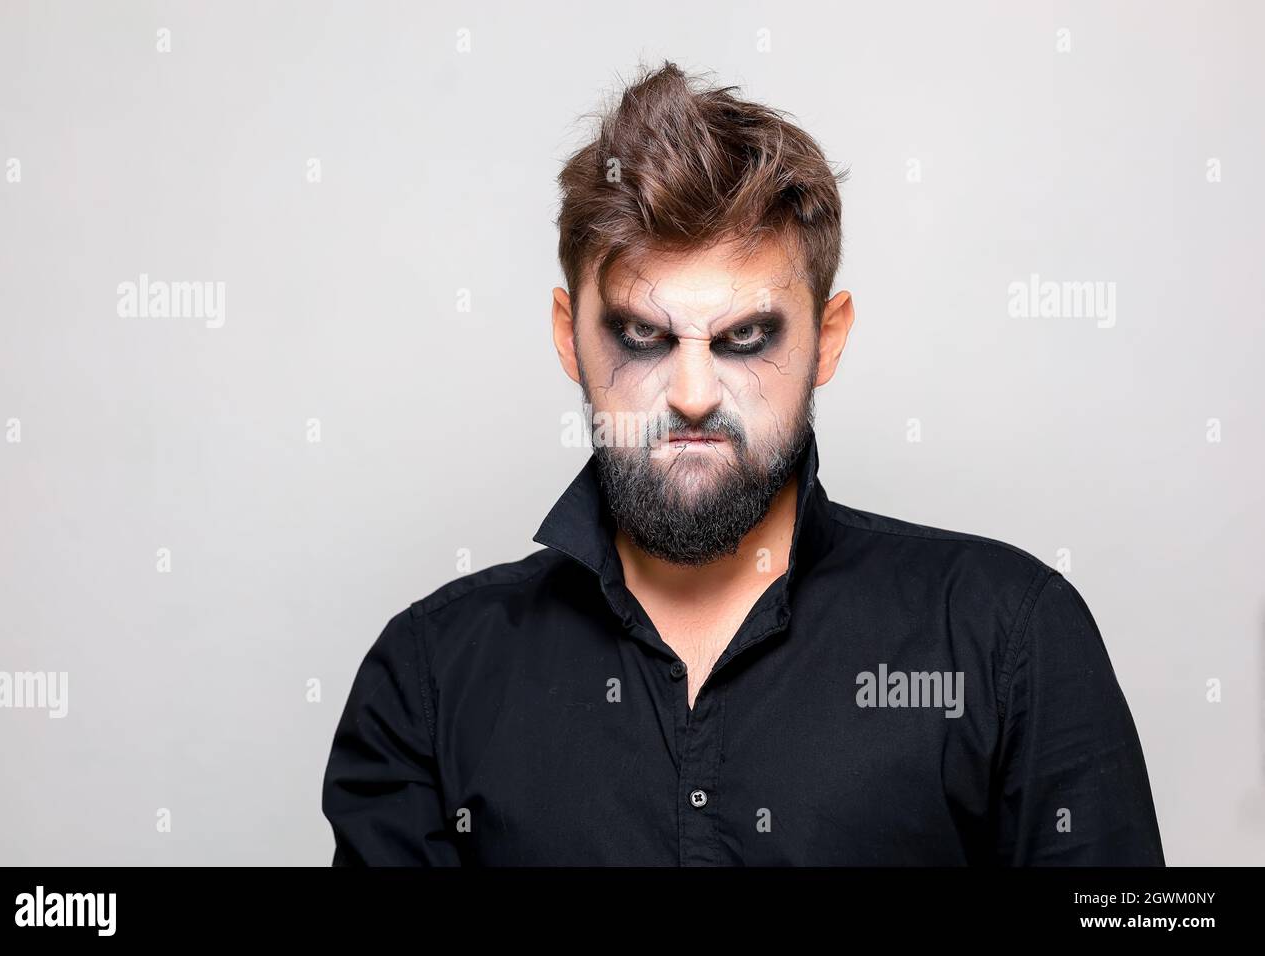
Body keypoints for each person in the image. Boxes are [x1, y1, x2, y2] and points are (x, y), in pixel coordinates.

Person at [321, 60, 1164, 865]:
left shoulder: (1005, 636)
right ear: (566, 336)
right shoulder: (431, 677)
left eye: (746, 338)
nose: (692, 393)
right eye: (642, 338)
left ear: (826, 339)